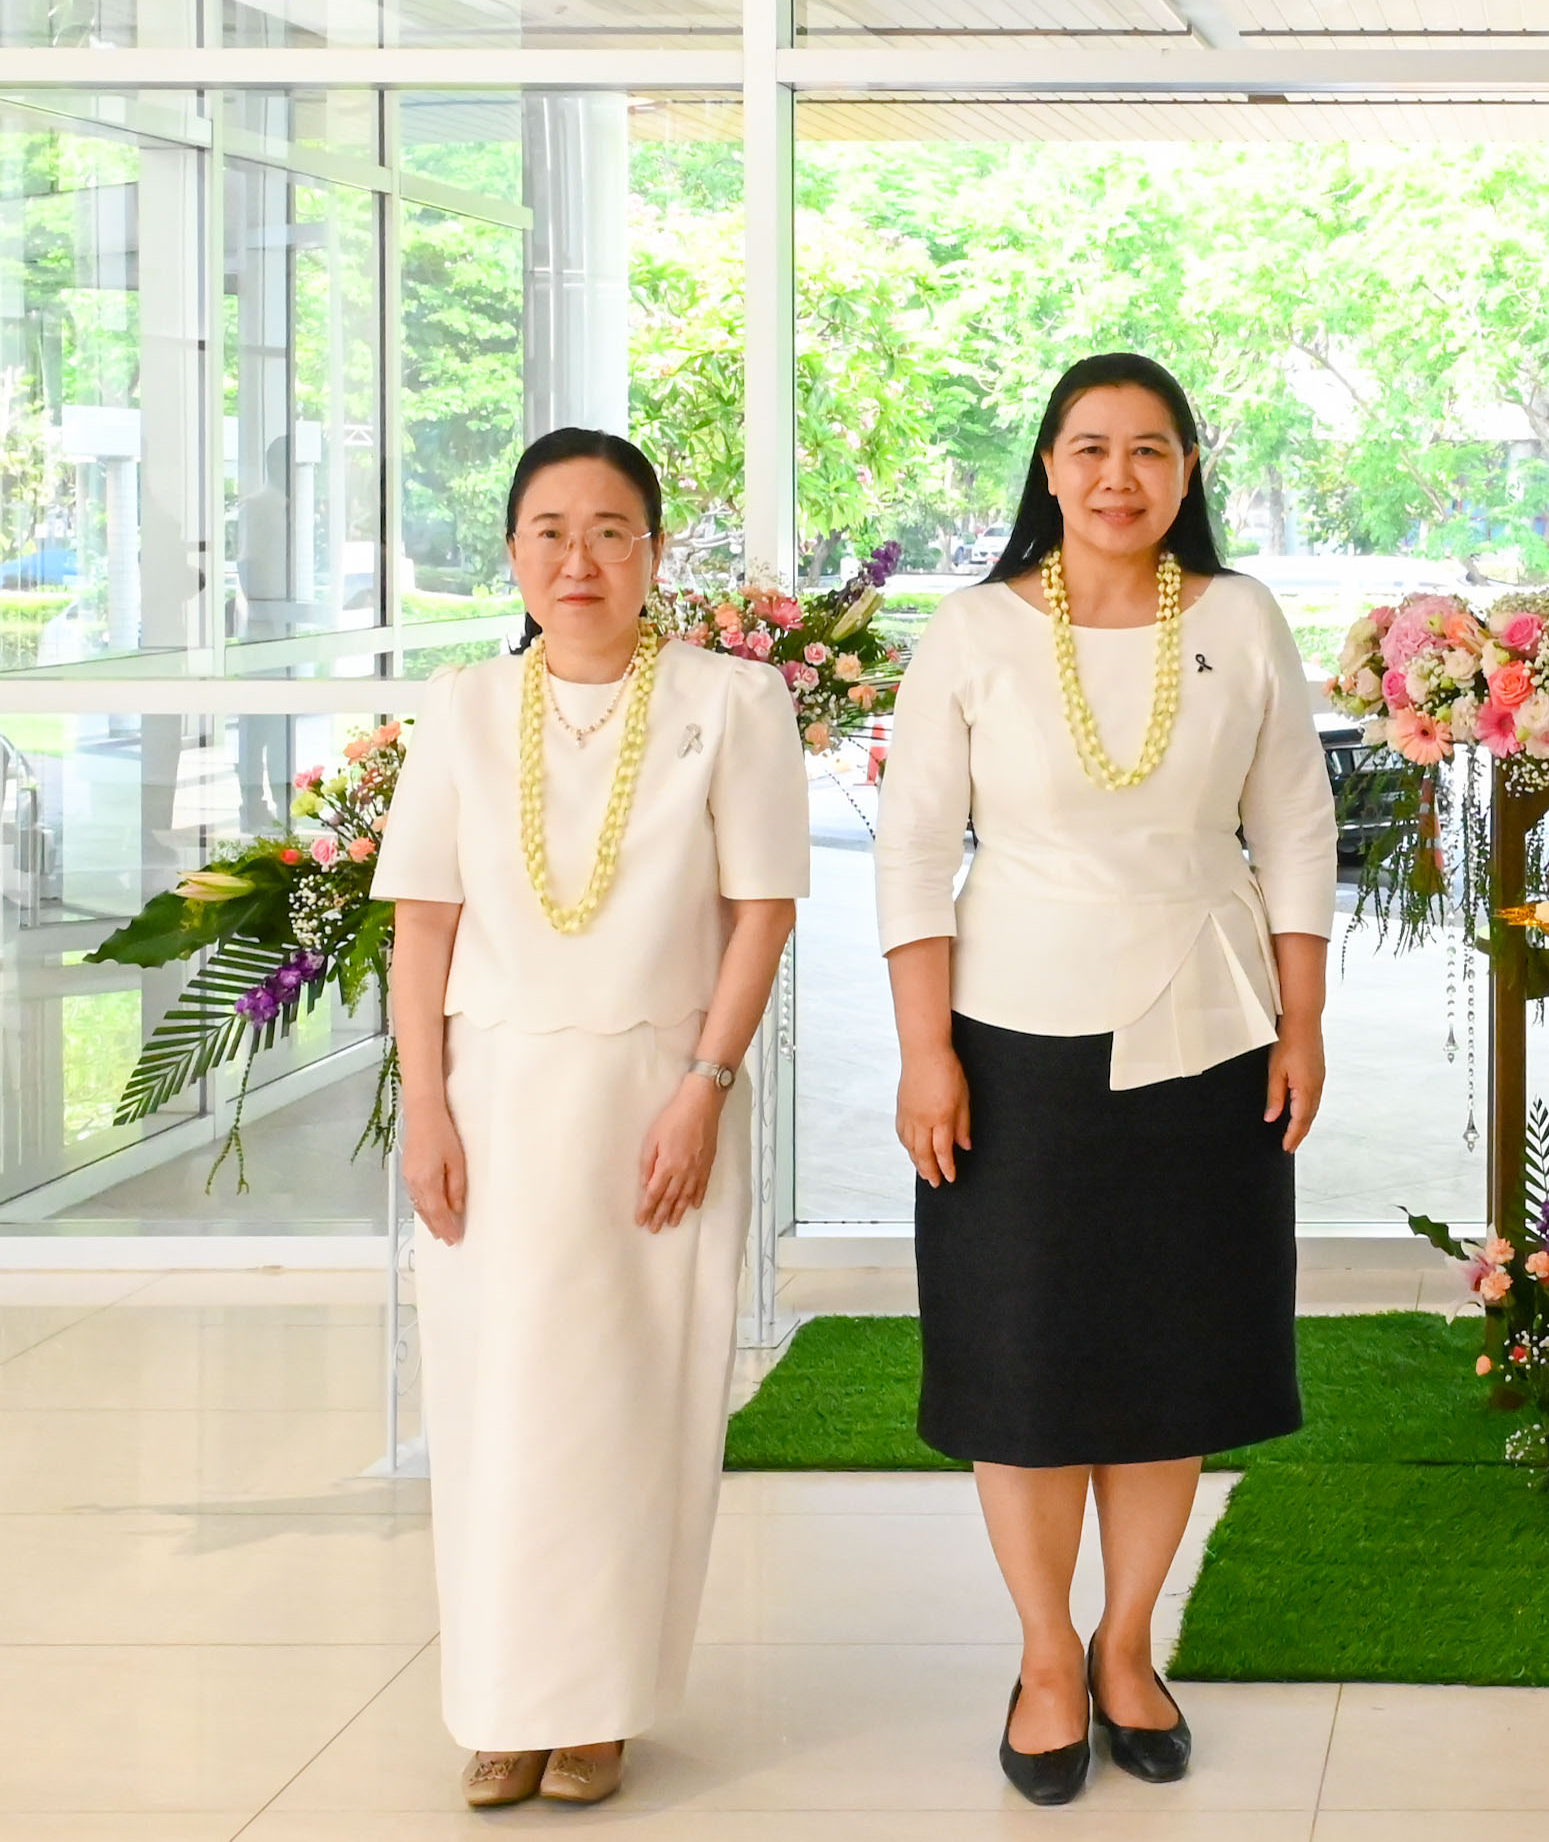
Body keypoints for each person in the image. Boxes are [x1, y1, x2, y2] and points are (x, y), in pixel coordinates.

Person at [874, 351, 1337, 1806]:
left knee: (1166, 1357)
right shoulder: (970, 630)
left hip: (1209, 1030)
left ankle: (1129, 1643)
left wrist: (1304, 1022)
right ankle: (1043, 1655)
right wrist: (923, 1049)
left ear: (1189, 470)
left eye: (1149, 449)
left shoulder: (1242, 618)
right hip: (1011, 1039)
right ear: (1048, 467)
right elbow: (911, 849)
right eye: (1088, 448)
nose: (1118, 475)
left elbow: (1298, 825)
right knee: (1024, 1362)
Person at [373, 428, 809, 1809]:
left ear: (654, 553)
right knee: (497, 1401)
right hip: (493, 1102)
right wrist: (424, 1106)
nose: (580, 557)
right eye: (550, 529)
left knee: (631, 1399)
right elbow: (423, 924)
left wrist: (706, 1088)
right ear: (511, 553)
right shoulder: (457, 707)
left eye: (612, 529)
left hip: (655, 1101)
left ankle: (601, 1701)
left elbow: (761, 914)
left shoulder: (731, 702)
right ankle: (502, 1700)